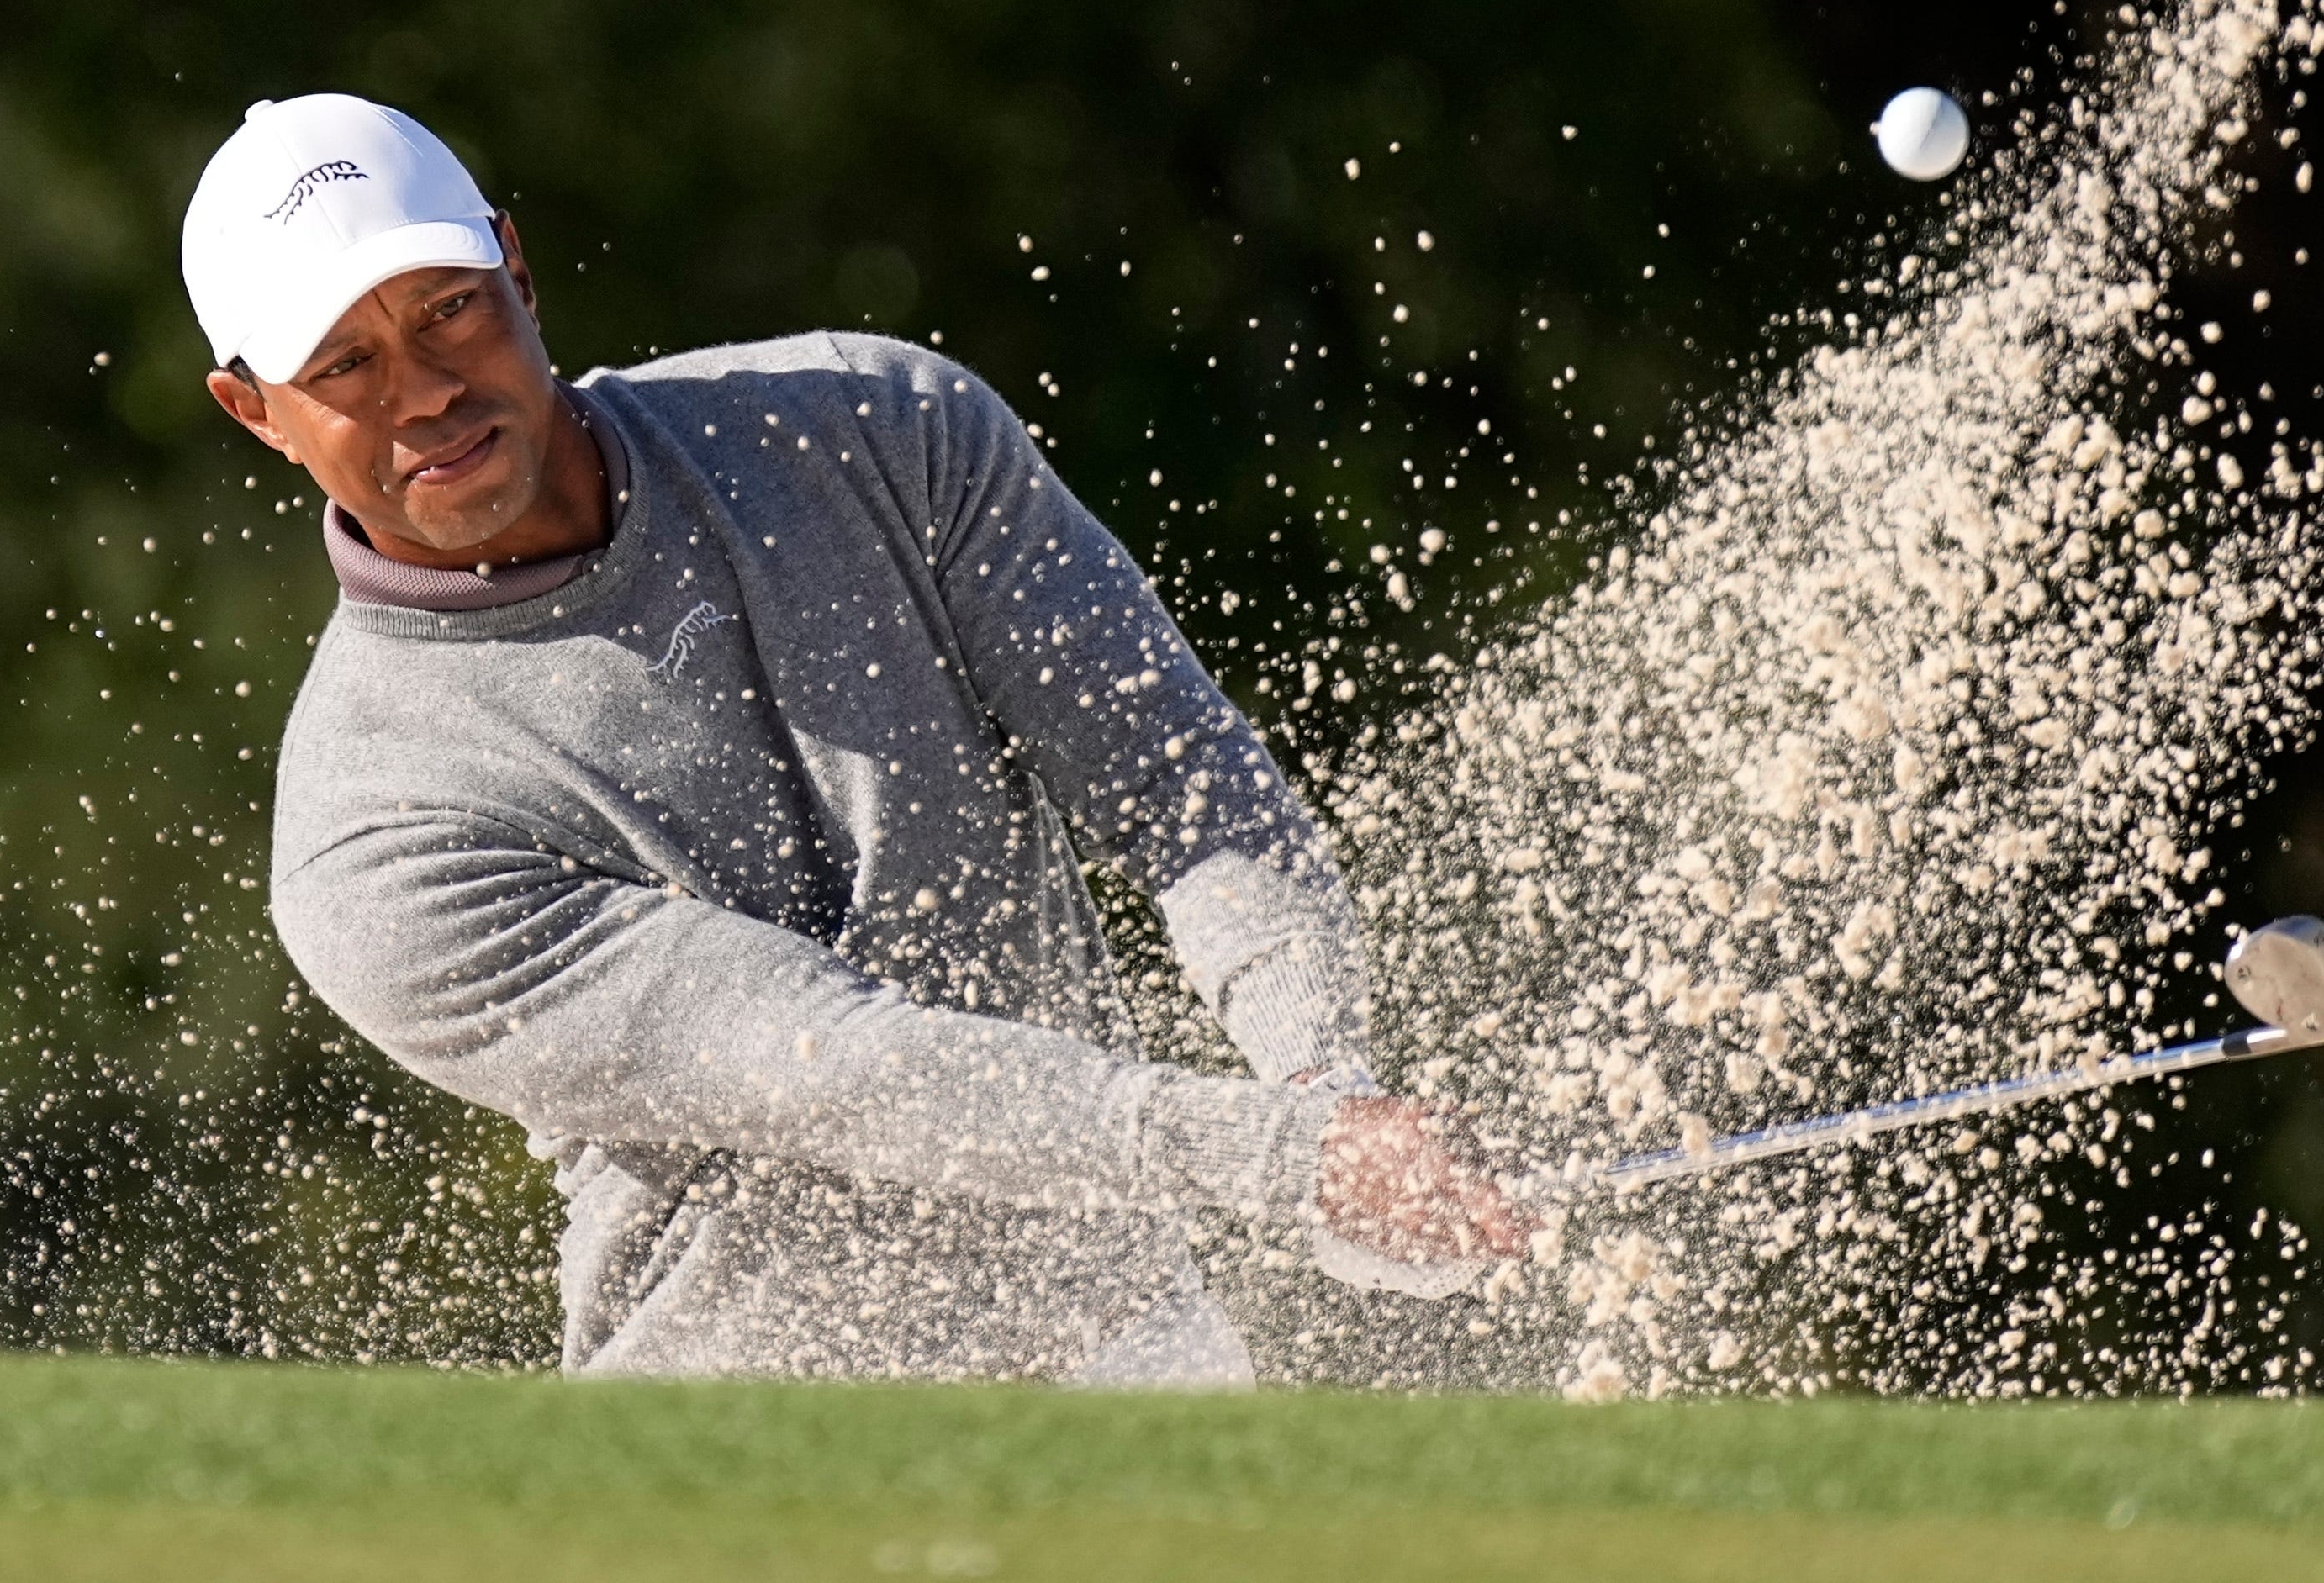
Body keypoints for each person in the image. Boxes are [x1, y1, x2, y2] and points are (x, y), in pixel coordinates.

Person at [181, 93, 1523, 1383]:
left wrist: (1331, 1082)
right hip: (746, 1471)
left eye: (450, 310)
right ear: (255, 411)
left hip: (1138, 1360)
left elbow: (1182, 784)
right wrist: (1289, 1162)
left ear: (515, 270)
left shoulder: (872, 427)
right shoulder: (369, 830)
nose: (424, 392)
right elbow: (836, 1065)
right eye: (344, 365)